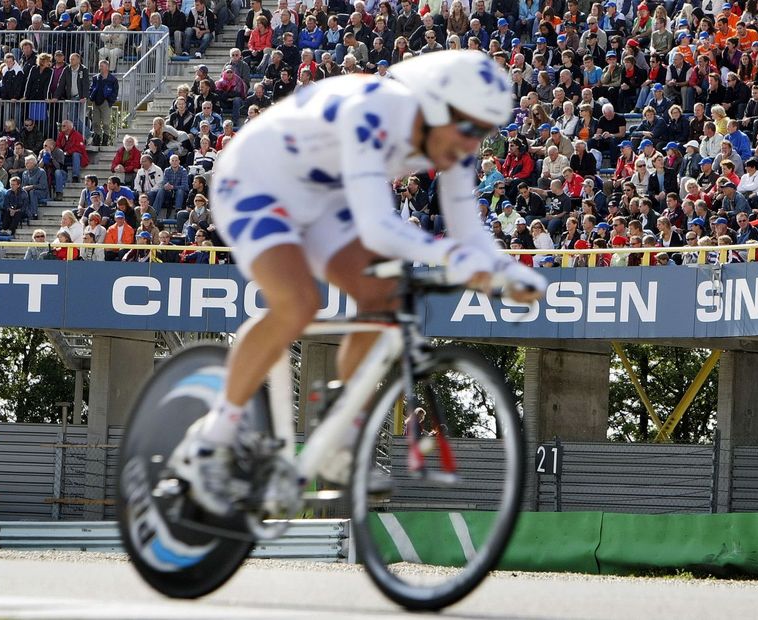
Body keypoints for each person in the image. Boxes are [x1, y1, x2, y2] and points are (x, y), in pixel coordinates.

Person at [171, 51, 545, 517]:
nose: (473, 145)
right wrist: (452, 257)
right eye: (469, 129)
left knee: (382, 295)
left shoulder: (451, 142)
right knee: (298, 303)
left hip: (325, 199)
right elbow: (379, 229)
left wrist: (510, 271)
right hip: (257, 182)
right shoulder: (375, 109)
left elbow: (470, 233)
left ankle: (340, 430)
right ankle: (210, 441)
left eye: (483, 133)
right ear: (434, 107)